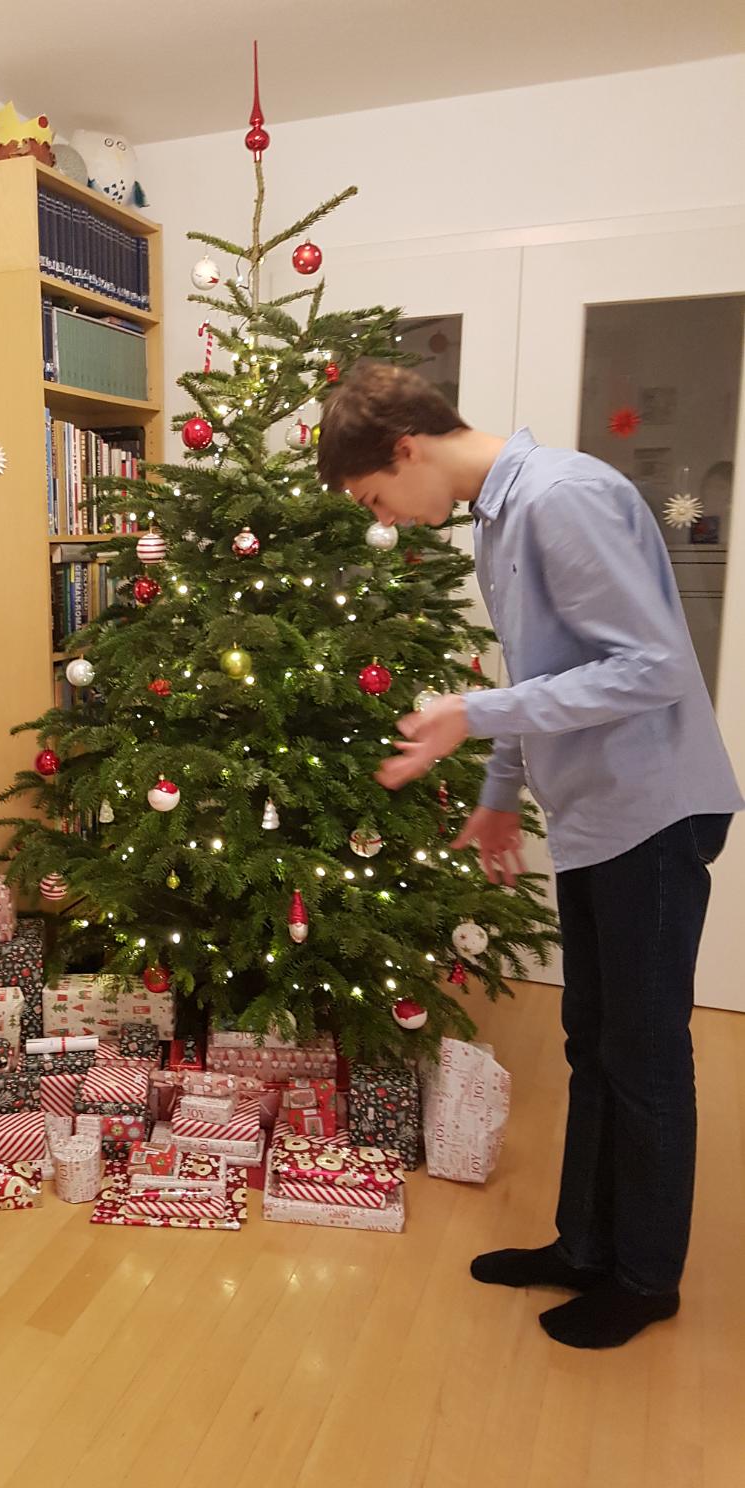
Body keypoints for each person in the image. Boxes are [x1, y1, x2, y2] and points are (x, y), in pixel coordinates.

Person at [317, 361, 742, 1349]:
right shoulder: (500, 519)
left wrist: (473, 714)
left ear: (405, 449)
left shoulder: (561, 496)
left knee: (642, 1054)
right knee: (592, 1042)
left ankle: (644, 1278)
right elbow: (540, 672)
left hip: (652, 813)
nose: (391, 520)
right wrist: (501, 794)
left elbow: (650, 667)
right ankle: (586, 1246)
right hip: (599, 816)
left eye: (376, 498)